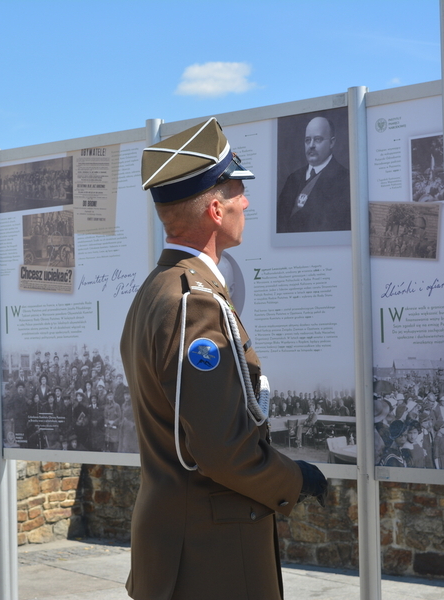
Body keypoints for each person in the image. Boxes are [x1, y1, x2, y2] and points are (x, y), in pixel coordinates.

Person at [121, 117, 326, 600]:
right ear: (215, 209)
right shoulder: (196, 304)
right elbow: (219, 450)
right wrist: (295, 479)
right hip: (209, 559)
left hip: (180, 548)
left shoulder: (159, 289)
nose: (246, 202)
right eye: (237, 192)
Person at [276, 115, 350, 233]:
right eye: (307, 140)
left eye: (318, 139)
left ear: (331, 142)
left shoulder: (346, 180)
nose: (311, 145)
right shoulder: (293, 179)